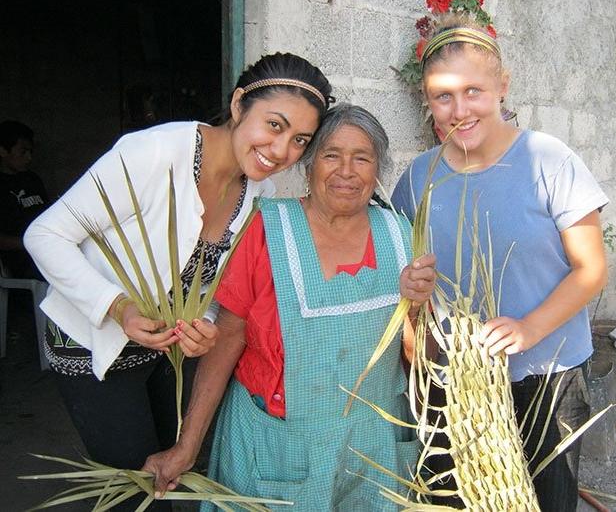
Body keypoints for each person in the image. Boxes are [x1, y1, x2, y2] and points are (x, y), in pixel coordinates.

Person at [24, 53, 333, 511]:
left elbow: (210, 285)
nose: (283, 149)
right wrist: (118, 307)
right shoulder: (154, 154)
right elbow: (44, 234)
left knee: (163, 475)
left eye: (300, 139)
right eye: (274, 125)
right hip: (91, 344)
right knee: (135, 492)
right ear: (239, 104)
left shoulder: (259, 192)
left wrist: (203, 322)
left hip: (162, 350)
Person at [143, 104, 437, 510]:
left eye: (362, 158)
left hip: (372, 452)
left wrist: (420, 309)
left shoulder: (401, 235)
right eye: (332, 155)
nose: (346, 171)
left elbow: (420, 355)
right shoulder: (268, 230)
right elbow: (228, 338)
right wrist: (187, 446)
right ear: (309, 164)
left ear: (378, 169)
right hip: (278, 446)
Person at [391, 17, 609, 511]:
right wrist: (410, 286)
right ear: (427, 100)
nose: (459, 110)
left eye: (473, 91)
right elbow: (404, 269)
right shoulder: (419, 178)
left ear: (502, 86)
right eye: (442, 96)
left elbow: (591, 269)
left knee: (546, 501)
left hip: (547, 375)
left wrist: (530, 328)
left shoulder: (549, 160)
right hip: (454, 380)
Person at [0, 120, 48, 279]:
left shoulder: (32, 180)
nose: (29, 158)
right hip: (19, 262)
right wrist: (30, 243)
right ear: (3, 151)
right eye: (23, 152)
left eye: (30, 152)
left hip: (45, 252)